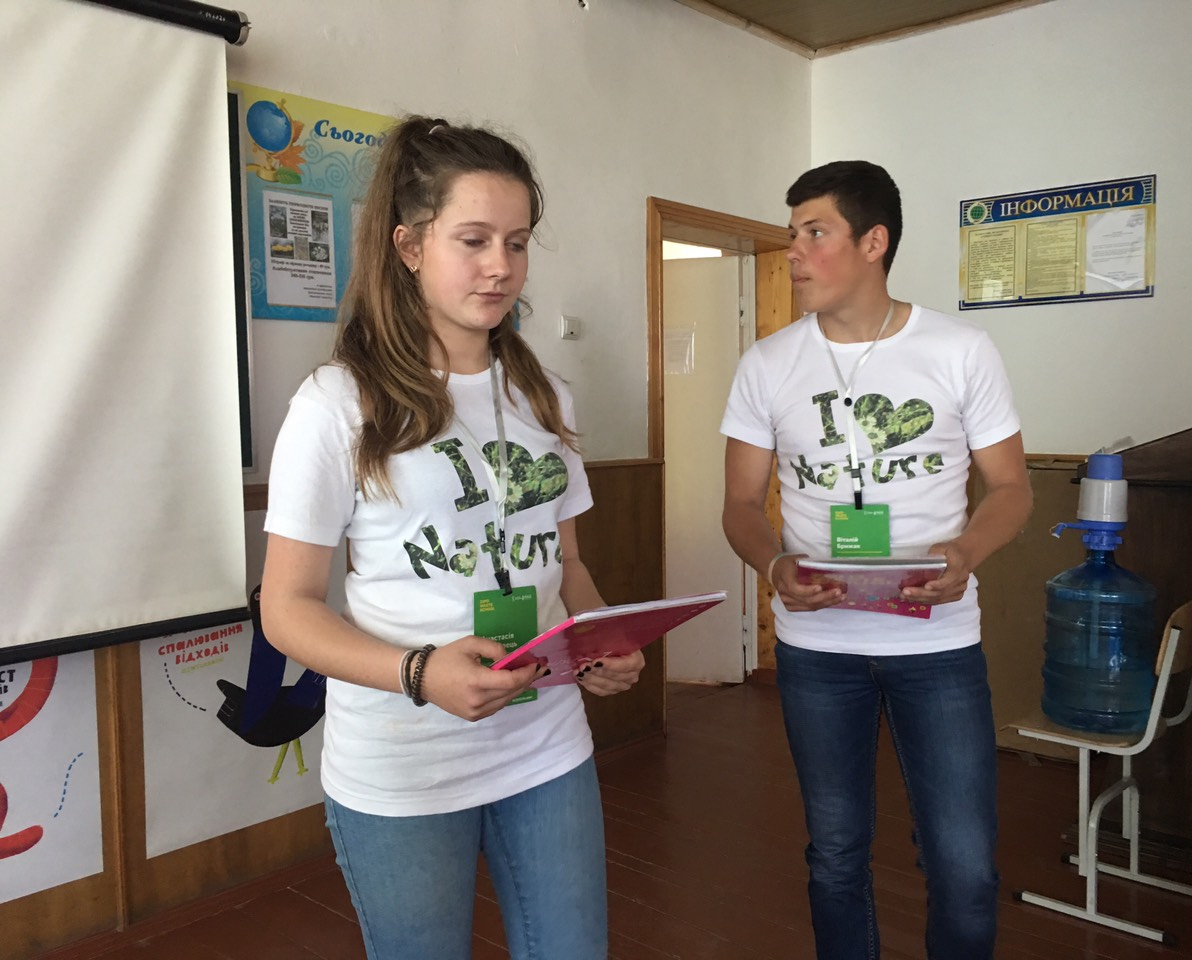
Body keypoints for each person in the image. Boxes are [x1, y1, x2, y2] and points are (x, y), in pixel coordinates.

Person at [259, 116, 643, 960]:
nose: (500, 265)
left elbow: (567, 562)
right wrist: (418, 672)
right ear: (408, 246)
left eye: (518, 242)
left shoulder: (546, 396)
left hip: (544, 741)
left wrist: (600, 639)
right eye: (473, 240)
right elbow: (286, 610)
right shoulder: (338, 404)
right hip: (404, 762)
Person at [720, 160, 1033, 960]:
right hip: (818, 651)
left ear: (873, 242)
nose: (794, 251)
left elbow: (1012, 489)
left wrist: (966, 550)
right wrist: (773, 567)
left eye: (814, 232)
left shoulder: (959, 351)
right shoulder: (767, 364)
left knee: (964, 867)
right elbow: (740, 506)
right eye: (791, 234)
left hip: (938, 644)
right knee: (835, 858)